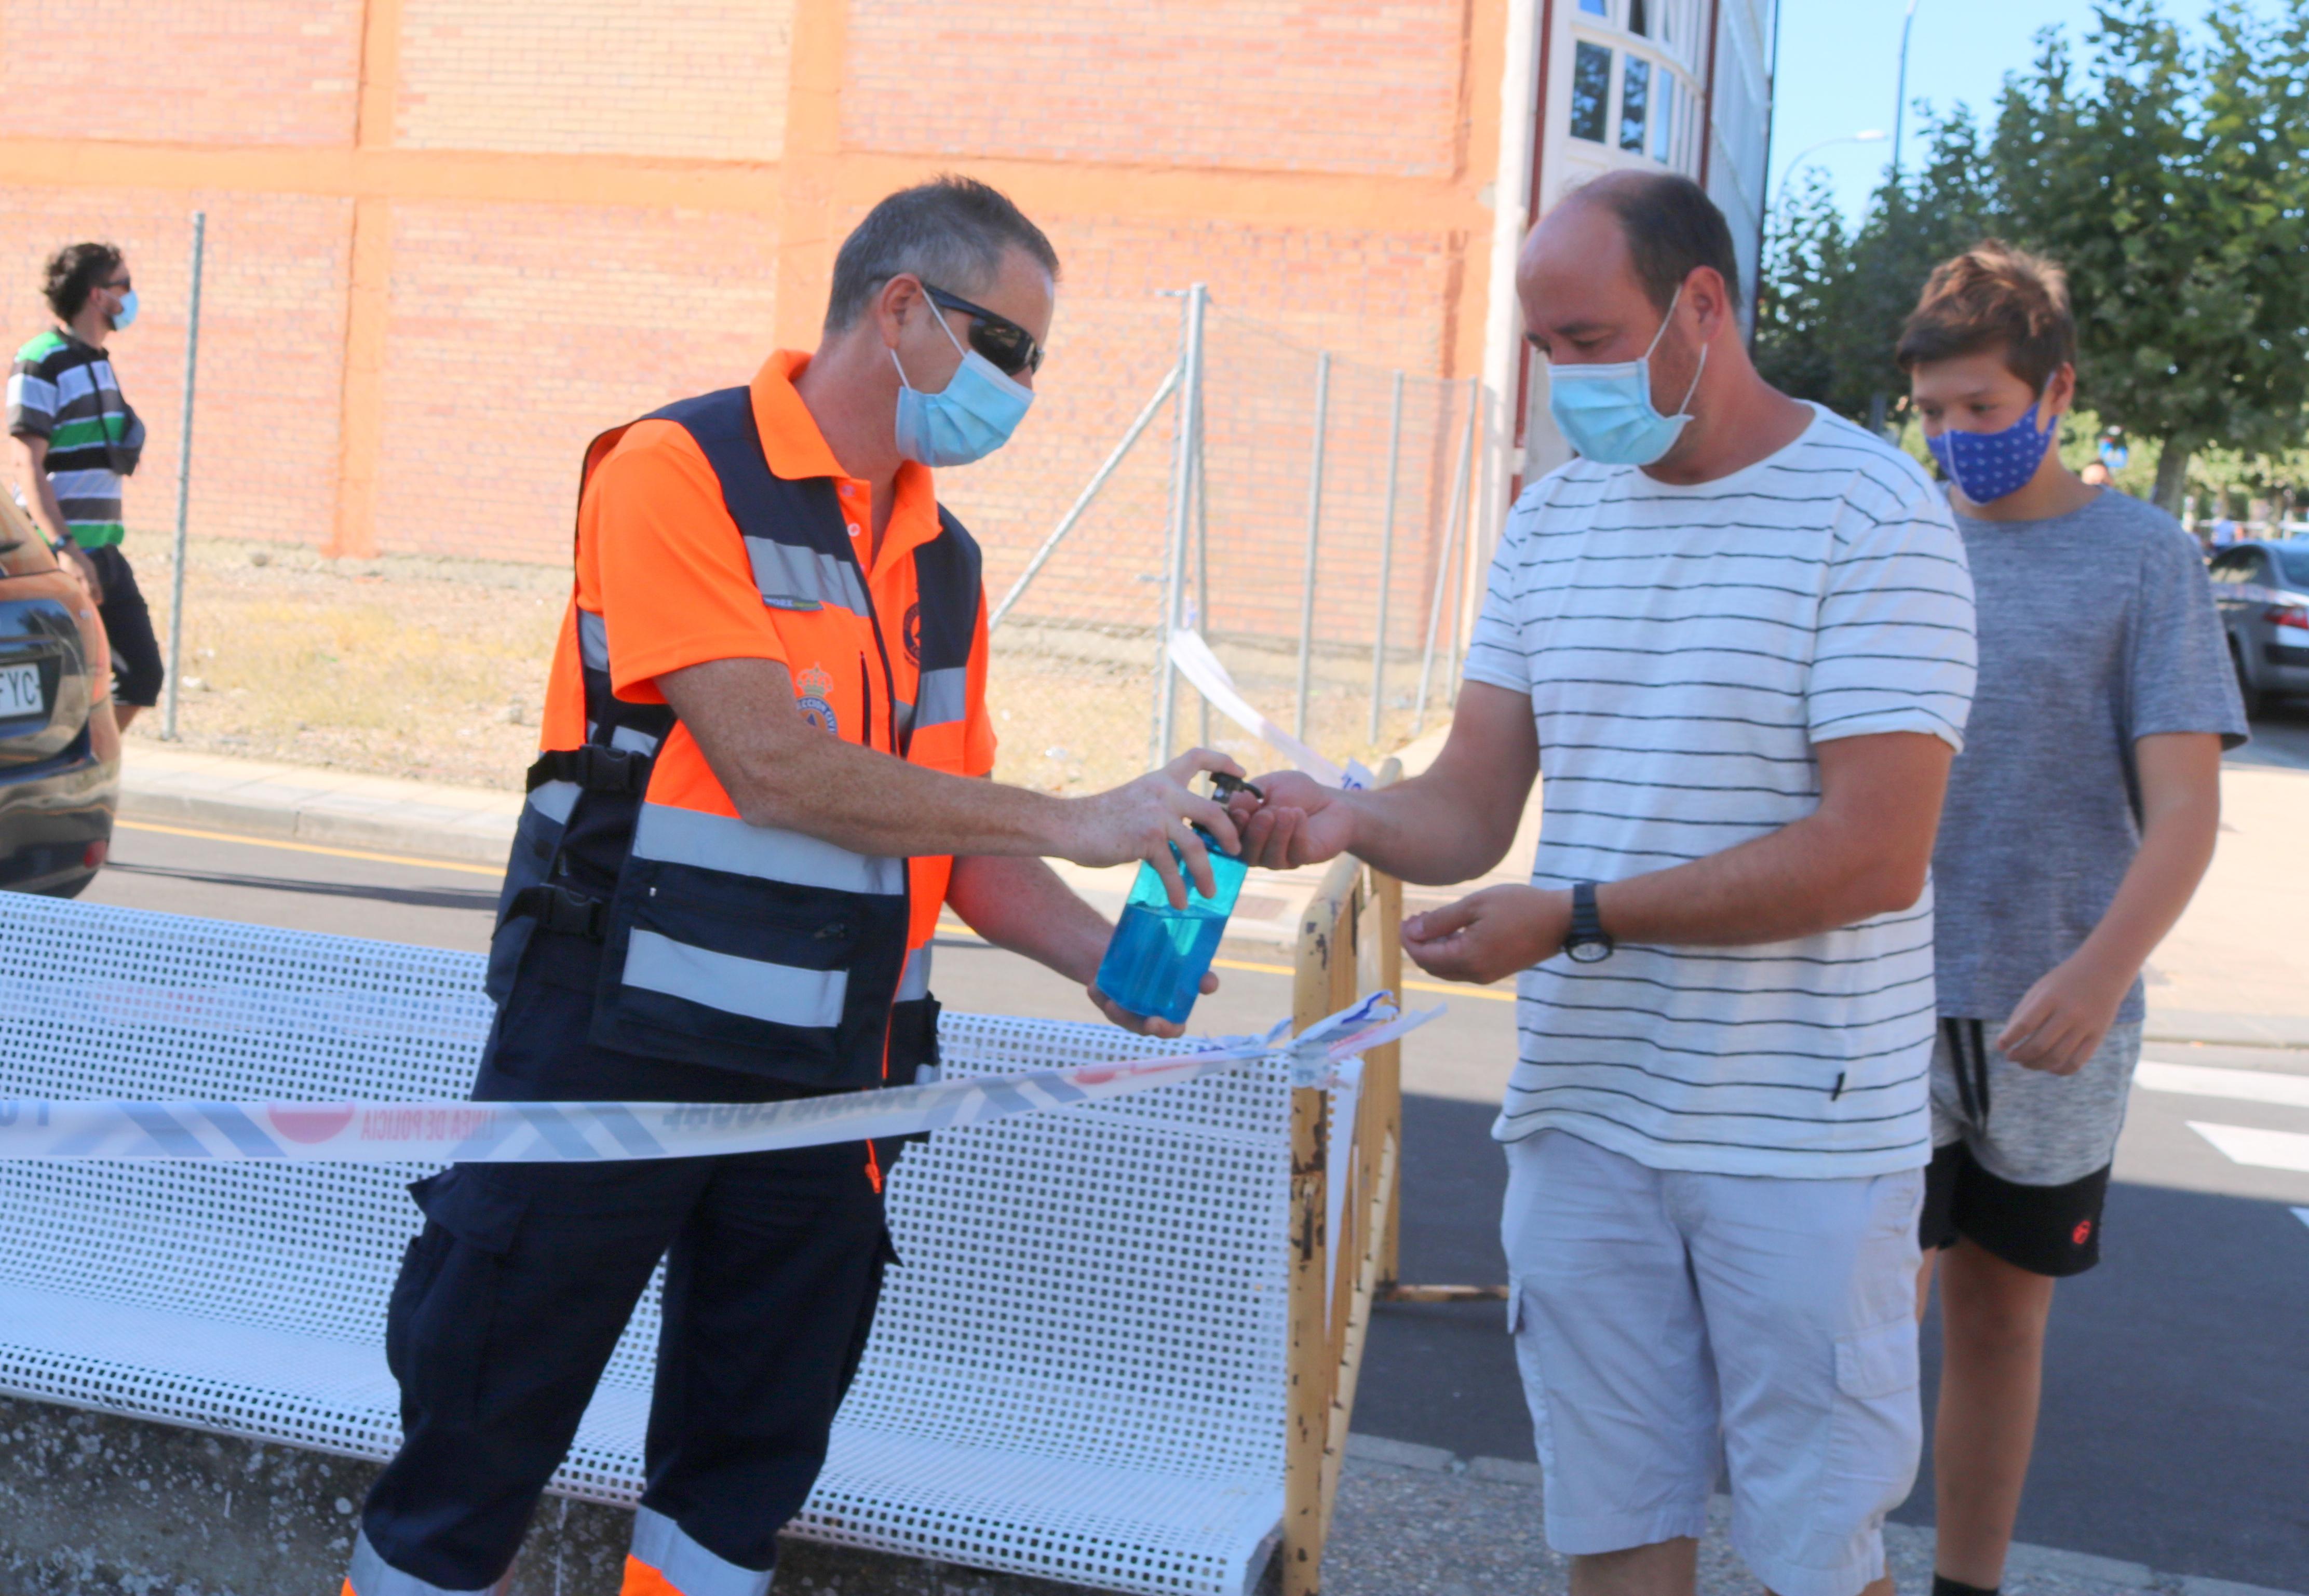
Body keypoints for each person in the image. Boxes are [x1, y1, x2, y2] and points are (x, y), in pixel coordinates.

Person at [344, 175, 1247, 1596]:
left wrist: (1112, 964)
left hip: (834, 1086)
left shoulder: (938, 557)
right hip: (616, 1050)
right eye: (1008, 347)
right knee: (475, 1451)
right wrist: (1082, 814)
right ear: (900, 308)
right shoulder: (676, 467)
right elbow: (772, 766)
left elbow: (953, 847)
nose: (1023, 387)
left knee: (737, 1483)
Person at [1231, 171, 1976, 1596]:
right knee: (1609, 1523)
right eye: (1542, 347)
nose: (1562, 378)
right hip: (1584, 1117)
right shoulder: (1553, 523)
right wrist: (1344, 819)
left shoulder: (1871, 516)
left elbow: (1871, 854)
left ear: (1701, 305)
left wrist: (1572, 916)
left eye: (1586, 338)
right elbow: (1464, 807)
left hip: (1801, 1139)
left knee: (1814, 1553)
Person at [1897, 242, 2243, 1596]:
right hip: (1882, 997)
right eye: (1929, 412)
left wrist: (2100, 974)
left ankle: (1962, 1585)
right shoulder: (1893, 535)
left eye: (1977, 409)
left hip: (2058, 1017)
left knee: (1998, 1324)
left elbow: (2183, 810)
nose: (1952, 438)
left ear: (2054, 394)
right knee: (1864, 1325)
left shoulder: (2142, 560)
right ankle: (1833, 1565)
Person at [6, 241, 161, 729]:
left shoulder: (96, 360)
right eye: (125, 285)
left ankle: (85, 767)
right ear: (99, 296)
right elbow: (25, 463)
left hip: (103, 553)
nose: (131, 298)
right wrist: (65, 548)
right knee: (52, 690)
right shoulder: (41, 360)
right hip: (56, 557)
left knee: (142, 678)